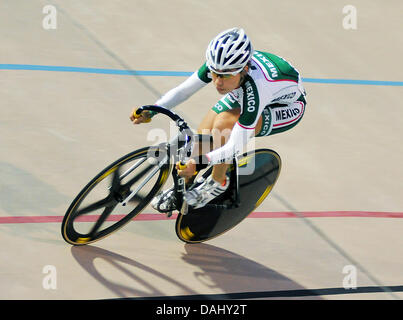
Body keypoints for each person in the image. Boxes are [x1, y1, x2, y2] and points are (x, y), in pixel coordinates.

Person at [130, 27, 307, 211]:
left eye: (225, 75)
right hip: (242, 89)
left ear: (244, 69)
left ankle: (217, 182)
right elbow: (184, 91)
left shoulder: (258, 88)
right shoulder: (222, 65)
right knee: (201, 140)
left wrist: (199, 163)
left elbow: (234, 146)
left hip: (287, 106)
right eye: (215, 73)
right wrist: (153, 110)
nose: (218, 82)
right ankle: (182, 188)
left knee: (224, 125)